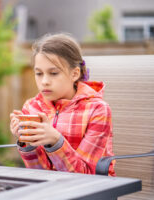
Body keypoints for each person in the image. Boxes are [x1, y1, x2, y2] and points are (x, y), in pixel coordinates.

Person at [10, 33, 115, 176]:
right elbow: (39, 173)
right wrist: (28, 143)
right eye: (39, 73)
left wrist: (55, 141)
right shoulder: (32, 108)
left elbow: (86, 175)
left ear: (75, 73)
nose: (45, 81)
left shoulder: (97, 110)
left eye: (53, 73)